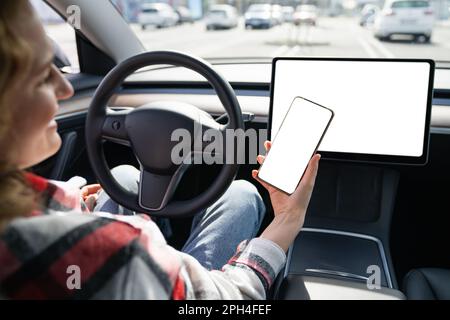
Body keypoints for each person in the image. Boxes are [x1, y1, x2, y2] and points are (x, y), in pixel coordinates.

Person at [0, 0, 320, 299]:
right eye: (43, 76)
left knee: (123, 176)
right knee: (241, 195)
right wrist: (287, 220)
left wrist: (70, 200)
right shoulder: (119, 252)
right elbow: (230, 296)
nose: (66, 87)